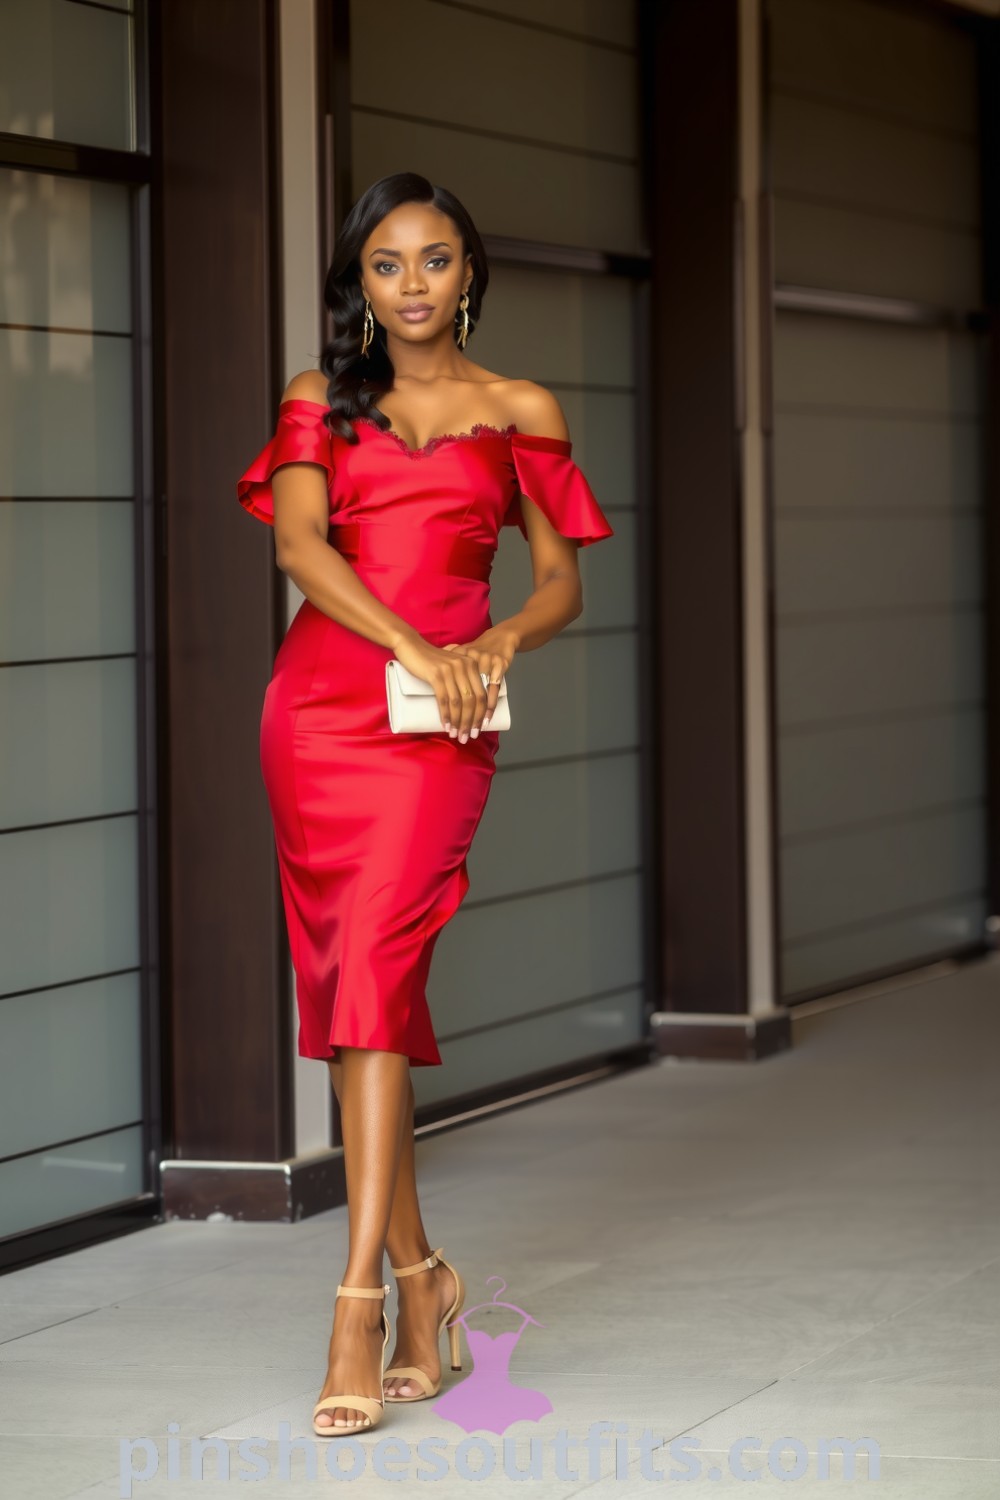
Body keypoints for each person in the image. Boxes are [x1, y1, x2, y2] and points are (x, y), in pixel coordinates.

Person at [236, 171, 613, 1438]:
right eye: (387, 264)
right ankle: (418, 1283)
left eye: (435, 261)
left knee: (375, 973)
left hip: (441, 724)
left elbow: (560, 582)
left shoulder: (520, 410)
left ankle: (356, 1301)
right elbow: (300, 548)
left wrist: (494, 645)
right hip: (322, 707)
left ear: (469, 273)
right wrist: (412, 642)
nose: (412, 285)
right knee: (359, 997)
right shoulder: (313, 401)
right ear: (360, 281)